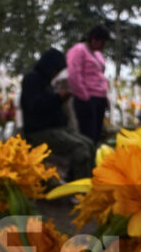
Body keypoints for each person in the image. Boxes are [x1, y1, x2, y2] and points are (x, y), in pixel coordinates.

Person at [21, 48, 95, 179]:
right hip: (39, 132)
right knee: (80, 149)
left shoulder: (45, 82)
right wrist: (58, 98)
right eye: (56, 70)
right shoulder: (31, 79)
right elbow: (35, 106)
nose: (56, 74)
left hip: (55, 129)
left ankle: (82, 181)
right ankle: (80, 192)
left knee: (88, 143)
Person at [67, 25, 111, 143]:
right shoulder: (79, 50)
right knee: (88, 133)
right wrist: (84, 96)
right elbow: (74, 74)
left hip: (99, 97)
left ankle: (94, 156)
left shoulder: (97, 54)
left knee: (97, 133)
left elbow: (99, 75)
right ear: (94, 39)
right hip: (87, 98)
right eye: (102, 42)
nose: (103, 45)